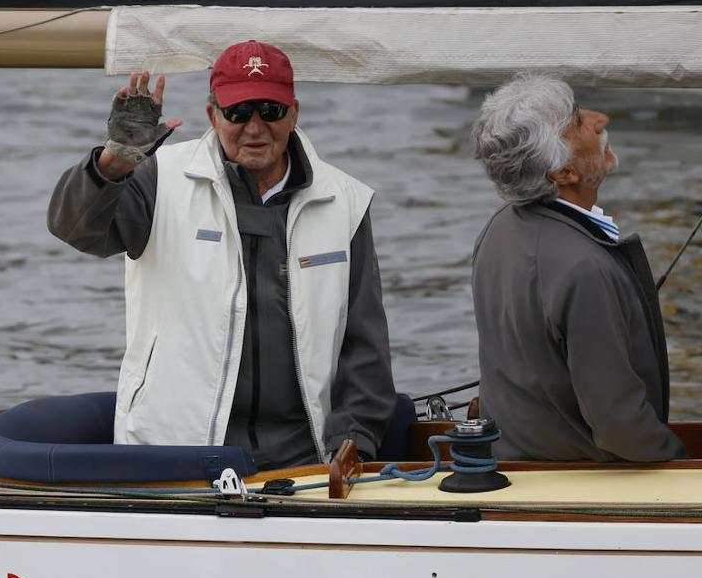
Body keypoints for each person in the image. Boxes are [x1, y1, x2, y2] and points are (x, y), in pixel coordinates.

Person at [48, 40, 396, 468]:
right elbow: (76, 229)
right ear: (213, 116)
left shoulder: (347, 202)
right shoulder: (158, 177)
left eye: (270, 111)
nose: (254, 128)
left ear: (294, 113)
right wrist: (115, 162)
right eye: (238, 113)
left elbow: (364, 347)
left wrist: (353, 447)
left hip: (304, 460)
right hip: (174, 455)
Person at [470, 74, 686, 462]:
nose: (600, 119)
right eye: (578, 121)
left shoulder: (497, 227)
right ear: (563, 173)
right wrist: (679, 462)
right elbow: (621, 425)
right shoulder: (583, 268)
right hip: (584, 478)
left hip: (519, 464)